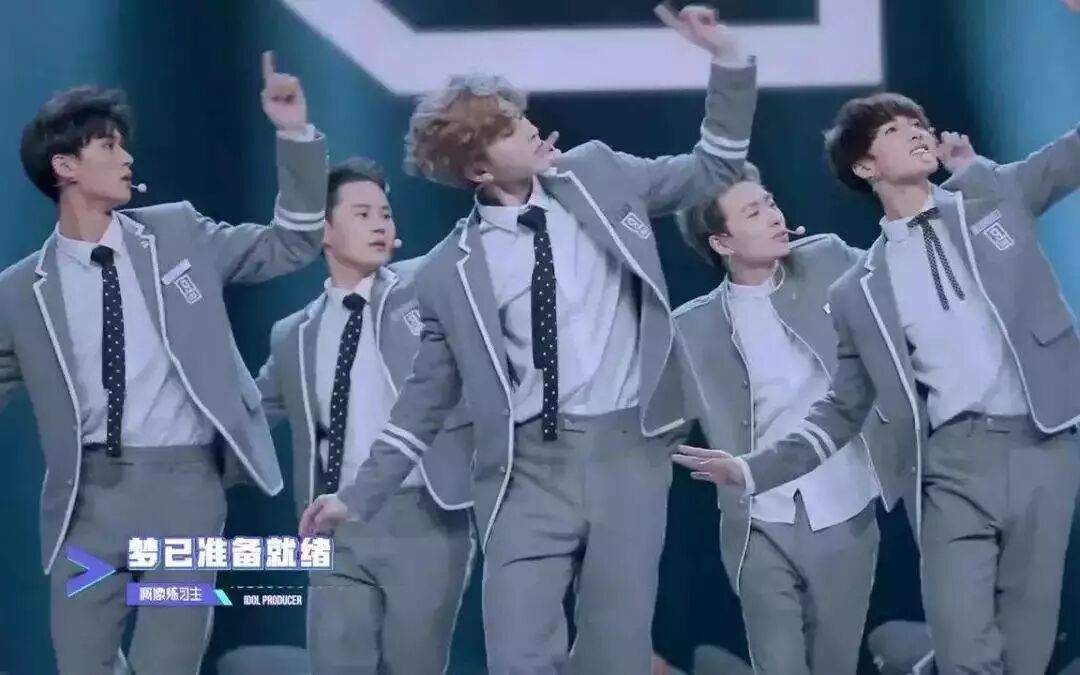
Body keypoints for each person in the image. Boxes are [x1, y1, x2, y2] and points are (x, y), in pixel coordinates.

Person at [299, 6, 759, 673]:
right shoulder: (446, 273)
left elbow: (712, 169)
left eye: (521, 116)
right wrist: (355, 496)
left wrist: (727, 59)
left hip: (627, 453)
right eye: (511, 127)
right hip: (525, 471)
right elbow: (422, 403)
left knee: (616, 654)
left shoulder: (598, 175)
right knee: (517, 654)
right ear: (479, 171)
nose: (532, 128)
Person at [677, 93, 1080, 674]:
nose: (916, 131)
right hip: (948, 465)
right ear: (865, 166)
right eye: (893, 130)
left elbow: (1070, 156)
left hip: (1045, 442)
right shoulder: (860, 287)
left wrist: (977, 176)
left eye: (919, 122)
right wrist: (751, 470)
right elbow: (841, 407)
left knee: (1027, 647)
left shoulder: (992, 198)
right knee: (963, 648)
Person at [3, 51, 328, 674]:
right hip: (86, 507)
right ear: (64, 165)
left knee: (167, 665)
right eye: (108, 146)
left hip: (185, 495)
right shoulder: (20, 292)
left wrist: (294, 135)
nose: (127, 158)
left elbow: (292, 243)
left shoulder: (178, 235)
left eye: (124, 145)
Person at [256, 158, 474, 674]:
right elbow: (250, 418)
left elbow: (474, 239)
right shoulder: (292, 335)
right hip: (330, 526)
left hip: (424, 517)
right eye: (362, 214)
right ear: (323, 231)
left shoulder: (424, 285)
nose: (380, 224)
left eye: (385, 214)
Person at [672, 161, 884, 674]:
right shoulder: (690, 328)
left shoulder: (828, 258)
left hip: (846, 504)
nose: (773, 215)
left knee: (834, 662)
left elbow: (899, 280)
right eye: (753, 212)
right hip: (757, 520)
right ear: (722, 242)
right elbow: (653, 428)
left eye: (769, 202)